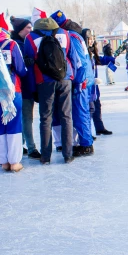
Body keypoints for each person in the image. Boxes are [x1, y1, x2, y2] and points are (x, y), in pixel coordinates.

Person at [24, 16, 75, 164]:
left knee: (46, 118)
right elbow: (70, 56)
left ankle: (46, 156)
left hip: (44, 81)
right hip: (64, 78)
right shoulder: (65, 34)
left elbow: (30, 63)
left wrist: (33, 89)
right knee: (66, 116)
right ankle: (68, 154)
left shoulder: (31, 38)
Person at [50, 10, 94, 157]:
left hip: (81, 80)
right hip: (84, 78)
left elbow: (79, 62)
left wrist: (80, 80)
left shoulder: (72, 37)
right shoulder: (76, 35)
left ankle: (86, 144)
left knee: (80, 112)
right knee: (82, 112)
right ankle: (85, 142)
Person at [0, 14, 26, 172]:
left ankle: (3, 162)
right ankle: (14, 162)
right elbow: (21, 69)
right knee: (14, 124)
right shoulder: (11, 45)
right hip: (12, 90)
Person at [10, 15, 40, 159]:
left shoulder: (23, 43)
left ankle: (21, 144)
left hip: (27, 86)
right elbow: (19, 68)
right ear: (20, 29)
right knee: (27, 118)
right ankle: (31, 147)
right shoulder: (16, 45)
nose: (30, 30)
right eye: (28, 27)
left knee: (25, 118)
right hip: (23, 87)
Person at [82, 28, 114, 135]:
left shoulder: (91, 52)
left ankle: (99, 127)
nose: (91, 41)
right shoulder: (83, 52)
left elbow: (99, 60)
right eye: (89, 39)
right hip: (86, 86)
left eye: (92, 39)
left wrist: (110, 58)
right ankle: (87, 132)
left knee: (97, 106)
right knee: (89, 109)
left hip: (94, 86)